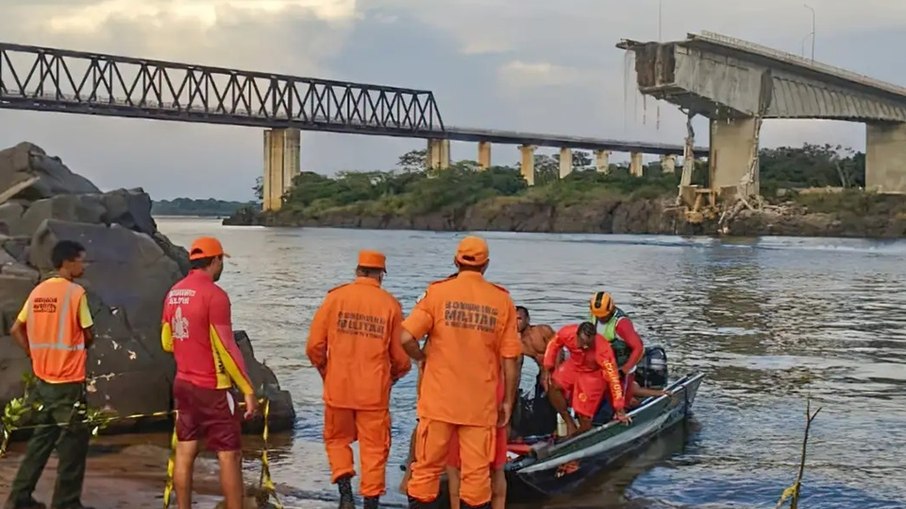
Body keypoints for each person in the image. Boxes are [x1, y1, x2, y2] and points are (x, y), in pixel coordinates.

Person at [400, 236, 522, 509]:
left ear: (456, 261)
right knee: (477, 476)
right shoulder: (502, 301)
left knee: (426, 469)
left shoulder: (437, 293)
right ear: (486, 265)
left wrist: (422, 358)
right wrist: (508, 401)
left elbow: (405, 337)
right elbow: (510, 358)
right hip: (480, 405)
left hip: (438, 401)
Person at [306, 250, 411, 509]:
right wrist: (395, 376)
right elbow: (401, 356)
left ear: (357, 271)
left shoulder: (334, 298)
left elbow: (314, 347)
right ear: (380, 275)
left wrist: (326, 372)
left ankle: (345, 495)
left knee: (336, 440)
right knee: (374, 449)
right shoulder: (390, 305)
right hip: (374, 393)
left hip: (338, 388)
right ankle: (371, 502)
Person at [160, 237, 258, 509]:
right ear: (215, 261)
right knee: (229, 455)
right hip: (212, 387)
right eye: (221, 260)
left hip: (183, 383)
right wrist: (248, 389)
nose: (221, 265)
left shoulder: (174, 292)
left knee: (185, 450)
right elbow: (227, 348)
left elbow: (166, 342)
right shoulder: (215, 296)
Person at [5, 240, 95, 509]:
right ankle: (66, 502)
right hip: (68, 380)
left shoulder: (38, 292)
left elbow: (15, 329)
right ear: (68, 262)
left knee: (40, 442)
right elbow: (88, 332)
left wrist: (33, 353)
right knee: (74, 444)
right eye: (82, 260)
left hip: (43, 379)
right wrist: (83, 342)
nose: (85, 265)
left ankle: (18, 497)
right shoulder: (76, 293)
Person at [542, 322, 629, 437]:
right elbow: (554, 344)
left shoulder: (603, 350)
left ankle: (579, 435)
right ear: (577, 335)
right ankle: (569, 422)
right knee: (552, 384)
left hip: (592, 373)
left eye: (589, 344)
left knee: (584, 415)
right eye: (582, 342)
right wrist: (548, 367)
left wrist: (619, 408)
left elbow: (613, 379)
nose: (585, 347)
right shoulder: (567, 332)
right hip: (574, 364)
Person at [445, 369, 507, 509]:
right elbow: (510, 361)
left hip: (456, 399)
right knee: (496, 469)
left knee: (455, 469)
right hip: (490, 394)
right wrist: (508, 400)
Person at [588, 291, 644, 401]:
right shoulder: (595, 315)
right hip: (604, 364)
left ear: (611, 308)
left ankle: (632, 400)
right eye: (598, 316)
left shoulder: (622, 324)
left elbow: (638, 348)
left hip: (622, 365)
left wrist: (625, 370)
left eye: (603, 316)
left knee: (622, 401)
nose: (601, 319)